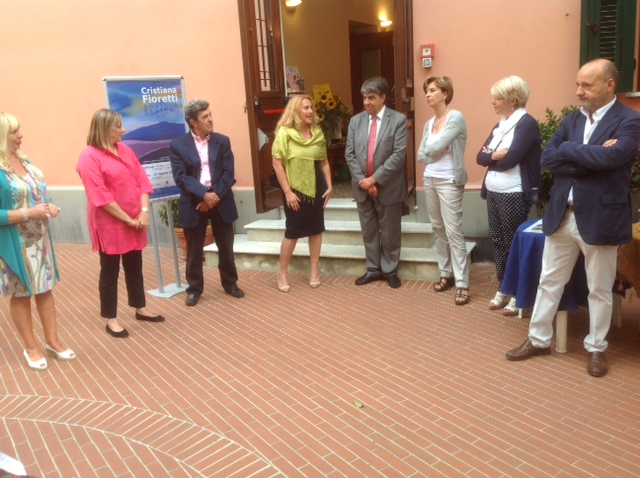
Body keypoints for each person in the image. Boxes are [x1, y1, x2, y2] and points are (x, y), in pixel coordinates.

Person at [506, 59, 640, 377]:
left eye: (586, 85)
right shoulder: (571, 119)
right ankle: (539, 339)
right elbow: (548, 157)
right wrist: (589, 154)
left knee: (600, 288)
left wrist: (569, 149)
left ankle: (596, 348)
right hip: (562, 216)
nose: (578, 91)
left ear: (609, 85)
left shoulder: (630, 120)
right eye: (578, 84)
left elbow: (614, 157)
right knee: (549, 281)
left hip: (602, 217)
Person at [77, 109, 165, 339]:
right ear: (105, 129)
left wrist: (143, 212)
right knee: (110, 270)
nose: (123, 130)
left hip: (135, 219)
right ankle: (111, 318)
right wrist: (129, 220)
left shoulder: (125, 150)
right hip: (110, 224)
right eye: (118, 126)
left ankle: (140, 307)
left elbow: (142, 181)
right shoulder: (89, 157)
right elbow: (100, 196)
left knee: (134, 266)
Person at [0, 113, 75, 369]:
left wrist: (48, 207)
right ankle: (30, 347)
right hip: (13, 245)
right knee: (21, 294)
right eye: (14, 132)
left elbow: (37, 196)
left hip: (38, 241)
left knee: (44, 289)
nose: (20, 135)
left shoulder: (24, 161)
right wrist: (29, 213)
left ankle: (52, 342)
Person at [476, 76, 541, 315]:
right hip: (493, 191)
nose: (492, 102)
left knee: (514, 243)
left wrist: (491, 156)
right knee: (498, 241)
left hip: (513, 193)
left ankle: (517, 294)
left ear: (513, 101)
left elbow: (511, 160)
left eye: (497, 98)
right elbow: (479, 157)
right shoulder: (501, 125)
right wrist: (493, 156)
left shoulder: (526, 124)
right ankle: (503, 287)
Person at [170, 99, 244, 306]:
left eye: (210, 115)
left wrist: (213, 197)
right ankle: (194, 289)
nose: (211, 119)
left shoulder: (222, 141)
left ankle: (230, 283)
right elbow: (181, 177)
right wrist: (203, 194)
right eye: (205, 117)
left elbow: (229, 173)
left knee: (226, 247)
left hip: (220, 200)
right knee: (194, 250)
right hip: (194, 202)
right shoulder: (178, 145)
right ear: (193, 122)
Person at [345, 77, 407, 289]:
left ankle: (390, 270)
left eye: (371, 97)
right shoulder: (355, 121)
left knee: (390, 232)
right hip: (362, 187)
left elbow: (398, 154)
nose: (366, 102)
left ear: (383, 97)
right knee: (369, 231)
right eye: (364, 97)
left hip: (388, 186)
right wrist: (364, 181)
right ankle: (372, 269)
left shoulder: (398, 120)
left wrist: (375, 179)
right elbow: (350, 154)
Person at [417, 76, 470, 305]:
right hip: (430, 179)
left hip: (449, 180)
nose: (428, 94)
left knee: (453, 231)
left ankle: (462, 283)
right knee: (438, 228)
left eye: (432, 90)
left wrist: (434, 150)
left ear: (445, 94)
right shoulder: (429, 123)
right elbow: (420, 155)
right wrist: (435, 152)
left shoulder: (455, 117)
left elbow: (435, 147)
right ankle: (445, 273)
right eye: (426, 91)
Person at [272, 95, 333, 292]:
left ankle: (314, 270)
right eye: (305, 108)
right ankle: (282, 273)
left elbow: (324, 162)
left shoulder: (317, 132)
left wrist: (330, 186)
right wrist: (288, 192)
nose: (310, 111)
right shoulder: (285, 133)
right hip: (295, 191)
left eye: (311, 108)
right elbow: (277, 164)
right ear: (295, 111)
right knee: (292, 232)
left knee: (316, 229)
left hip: (317, 188)